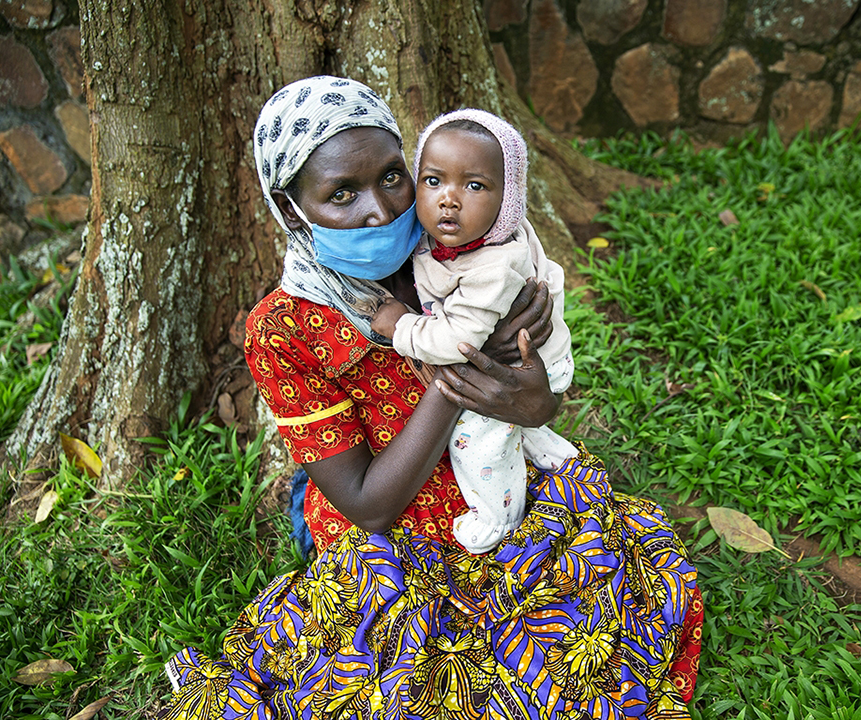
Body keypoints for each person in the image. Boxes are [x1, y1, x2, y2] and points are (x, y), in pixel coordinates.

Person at [162, 76, 703, 719]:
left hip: (492, 475)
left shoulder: (463, 258)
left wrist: (531, 398)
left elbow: (534, 406)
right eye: (341, 193)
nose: (381, 211)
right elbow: (368, 506)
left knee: (587, 609)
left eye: (393, 178)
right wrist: (455, 373)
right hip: (384, 518)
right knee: (414, 670)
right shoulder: (285, 330)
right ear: (291, 208)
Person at [370, 109, 575, 555]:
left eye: (475, 186)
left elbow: (455, 344)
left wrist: (400, 325)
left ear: (508, 201)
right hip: (523, 355)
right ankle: (546, 447)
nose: (449, 198)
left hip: (526, 365)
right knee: (505, 423)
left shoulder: (494, 265)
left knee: (474, 442)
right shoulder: (457, 236)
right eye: (432, 180)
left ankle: (498, 516)